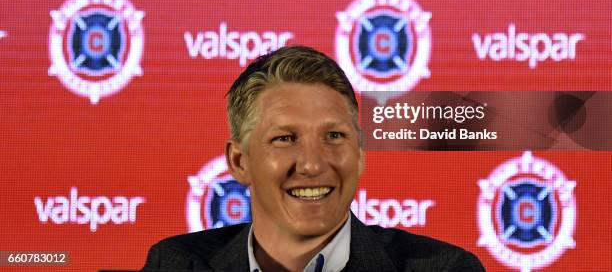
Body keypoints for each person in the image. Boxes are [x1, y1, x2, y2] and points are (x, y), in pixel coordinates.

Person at [142, 46, 485, 271]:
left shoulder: (446, 268)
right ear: (239, 162)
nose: (312, 164)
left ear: (360, 154)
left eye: (334, 136)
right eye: (285, 139)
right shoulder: (174, 264)